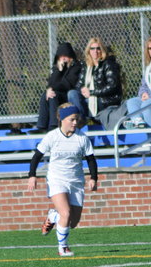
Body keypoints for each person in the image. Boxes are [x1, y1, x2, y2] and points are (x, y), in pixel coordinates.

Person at [27, 103, 98, 257]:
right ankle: (63, 248)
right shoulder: (52, 136)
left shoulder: (82, 138)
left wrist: (93, 178)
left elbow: (91, 159)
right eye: (72, 119)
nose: (75, 122)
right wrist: (32, 175)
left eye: (76, 119)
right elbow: (36, 156)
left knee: (73, 222)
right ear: (62, 119)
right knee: (65, 213)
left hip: (76, 181)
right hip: (57, 179)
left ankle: (53, 216)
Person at [68, 38, 123, 130]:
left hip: (104, 100)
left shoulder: (108, 64)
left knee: (81, 102)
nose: (95, 51)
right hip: (89, 99)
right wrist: (82, 90)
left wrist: (92, 92)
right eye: (92, 48)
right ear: (89, 51)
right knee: (72, 94)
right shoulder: (86, 66)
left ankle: (81, 121)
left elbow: (112, 86)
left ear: (102, 50)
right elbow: (79, 85)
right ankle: (81, 120)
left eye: (98, 48)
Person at [30, 43, 82, 134]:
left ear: (71, 57)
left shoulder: (76, 67)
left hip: (69, 95)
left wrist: (51, 88)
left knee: (52, 94)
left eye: (66, 56)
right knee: (46, 95)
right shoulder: (57, 68)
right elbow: (51, 82)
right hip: (58, 94)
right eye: (61, 56)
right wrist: (59, 71)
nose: (63, 59)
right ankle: (42, 126)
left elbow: (67, 84)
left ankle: (54, 126)